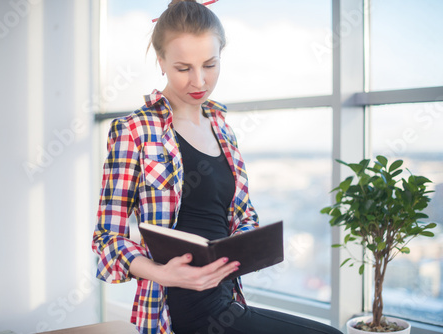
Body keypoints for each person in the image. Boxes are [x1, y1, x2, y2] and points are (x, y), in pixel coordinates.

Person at [92, 1, 343, 333]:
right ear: (161, 61)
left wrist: (247, 244)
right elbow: (106, 239)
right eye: (183, 68)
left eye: (210, 64)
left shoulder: (222, 127)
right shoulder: (134, 131)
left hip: (228, 301)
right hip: (179, 311)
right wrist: (163, 272)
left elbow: (243, 214)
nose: (199, 81)